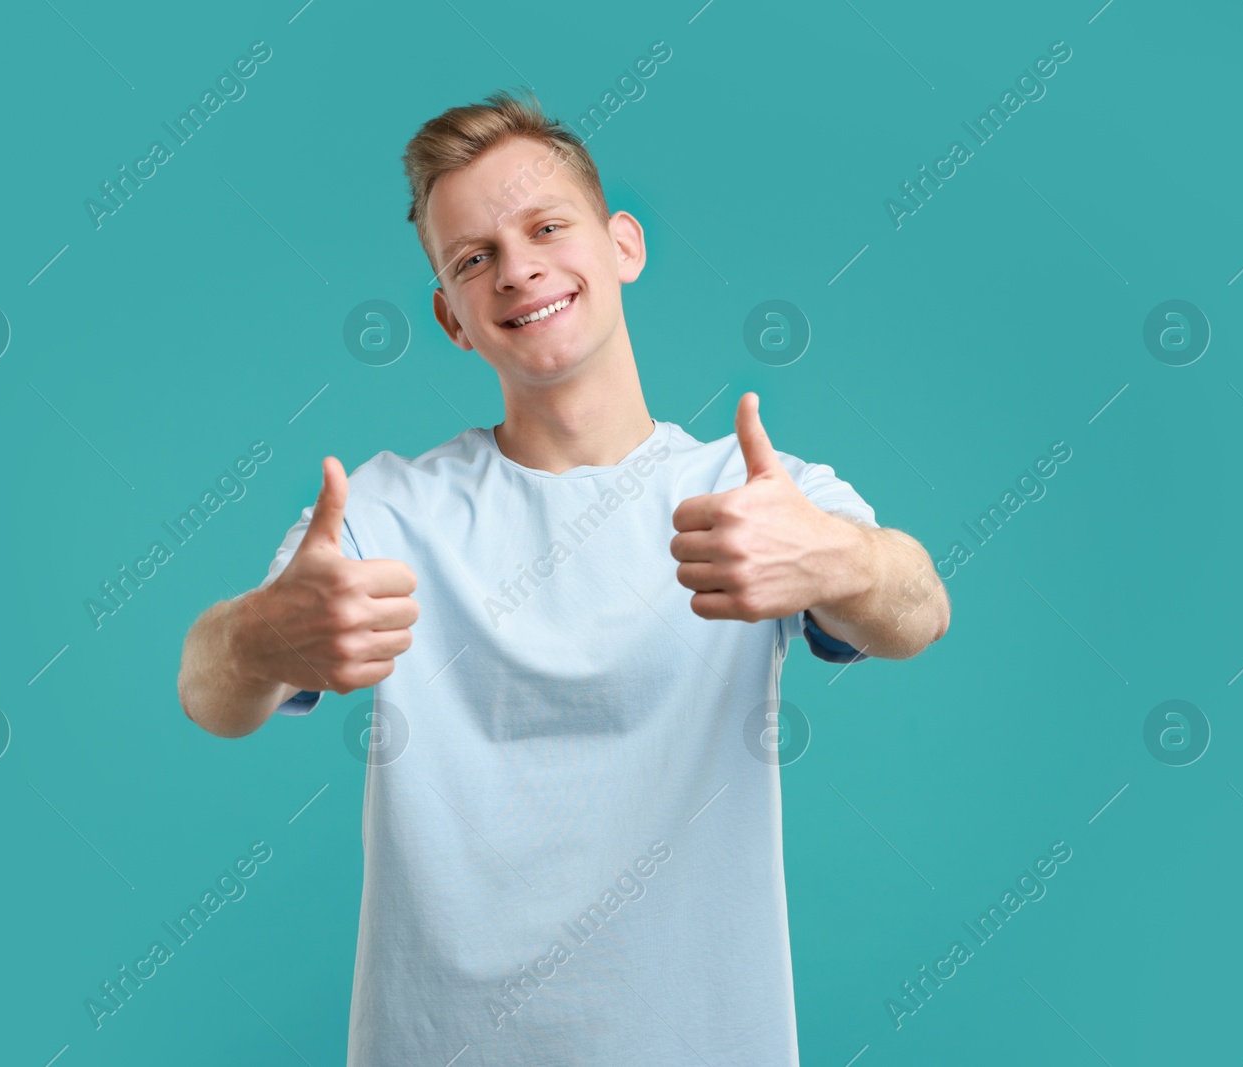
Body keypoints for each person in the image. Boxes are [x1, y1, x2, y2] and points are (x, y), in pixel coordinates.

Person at [177, 87, 950, 1066]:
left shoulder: (754, 492)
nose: (518, 267)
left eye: (546, 225)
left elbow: (918, 608)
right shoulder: (386, 512)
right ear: (450, 316)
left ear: (621, 244)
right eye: (473, 258)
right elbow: (210, 688)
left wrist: (835, 556)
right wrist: (256, 638)